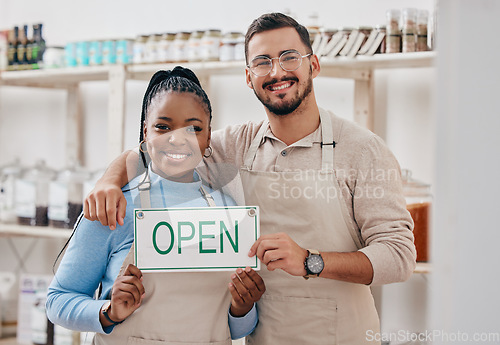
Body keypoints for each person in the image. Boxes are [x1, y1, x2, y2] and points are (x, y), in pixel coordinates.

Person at [84, 13, 416, 345]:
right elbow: (163, 148)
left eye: (289, 58)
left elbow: (398, 257)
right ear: (248, 77)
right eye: (262, 63)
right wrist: (110, 180)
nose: (276, 72)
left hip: (340, 334)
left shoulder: (363, 150)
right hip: (263, 335)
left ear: (313, 64)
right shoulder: (236, 146)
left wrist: (310, 261)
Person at [46, 67, 265, 345]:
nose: (177, 138)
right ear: (145, 134)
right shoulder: (115, 207)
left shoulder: (228, 210)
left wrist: (242, 308)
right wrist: (108, 312)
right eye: (163, 126)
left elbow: (236, 329)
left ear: (208, 137)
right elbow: (57, 300)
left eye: (194, 128)